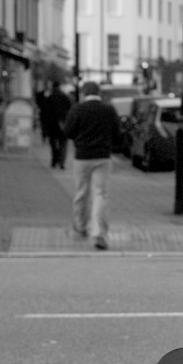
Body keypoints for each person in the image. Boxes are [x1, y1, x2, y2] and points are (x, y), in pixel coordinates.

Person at [64, 80, 121, 250]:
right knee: (100, 194)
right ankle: (98, 233)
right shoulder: (108, 110)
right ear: (99, 93)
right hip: (102, 156)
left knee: (81, 191)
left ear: (83, 93)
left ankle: (80, 227)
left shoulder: (77, 109)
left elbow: (67, 132)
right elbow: (117, 134)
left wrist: (80, 139)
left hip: (82, 157)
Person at [38, 81, 71, 168]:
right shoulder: (64, 97)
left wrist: (44, 124)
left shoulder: (49, 97)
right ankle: (61, 161)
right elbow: (69, 109)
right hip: (62, 123)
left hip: (51, 124)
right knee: (63, 143)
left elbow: (44, 111)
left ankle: (54, 159)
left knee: (53, 142)